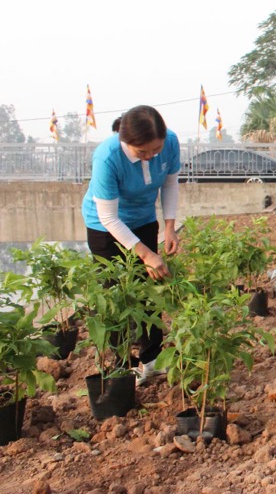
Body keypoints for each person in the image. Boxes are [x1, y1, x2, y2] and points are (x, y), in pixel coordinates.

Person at [81, 105, 180, 386]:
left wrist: (170, 227)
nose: (150, 156)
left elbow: (170, 184)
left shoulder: (170, 141)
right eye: (142, 152)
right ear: (126, 142)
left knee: (149, 292)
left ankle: (151, 360)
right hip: (104, 228)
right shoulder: (107, 157)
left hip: (143, 220)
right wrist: (146, 254)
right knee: (115, 297)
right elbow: (109, 216)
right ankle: (121, 368)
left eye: (155, 150)